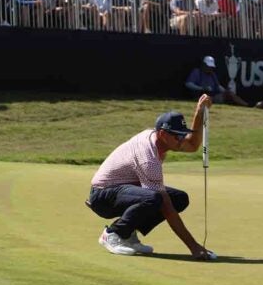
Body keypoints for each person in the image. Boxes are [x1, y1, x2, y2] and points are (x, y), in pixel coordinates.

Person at [87, 103, 215, 259]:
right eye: (177, 136)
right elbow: (166, 207)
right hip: (103, 196)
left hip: (125, 190)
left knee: (179, 198)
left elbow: (193, 145)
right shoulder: (148, 158)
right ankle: (114, 234)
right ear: (162, 134)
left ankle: (128, 234)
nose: (182, 140)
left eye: (183, 135)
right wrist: (193, 247)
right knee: (155, 199)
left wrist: (199, 112)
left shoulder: (160, 139)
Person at [185, 56, 259, 107]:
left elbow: (218, 86)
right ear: (204, 65)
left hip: (212, 96)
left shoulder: (212, 74)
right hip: (199, 97)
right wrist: (201, 88)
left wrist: (225, 91)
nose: (210, 68)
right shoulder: (196, 72)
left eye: (211, 67)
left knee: (229, 94)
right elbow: (188, 84)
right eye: (208, 66)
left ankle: (248, 106)